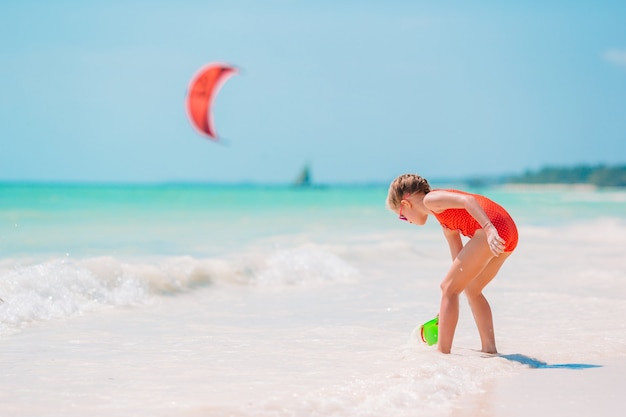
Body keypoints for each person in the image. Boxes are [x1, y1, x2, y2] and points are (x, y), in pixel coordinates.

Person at [387, 174, 518, 354]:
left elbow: (468, 200)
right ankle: (489, 350)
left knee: (447, 287)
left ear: (406, 204)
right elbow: (460, 262)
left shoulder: (430, 200)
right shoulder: (444, 219)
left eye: (402, 217)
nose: (407, 221)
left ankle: (442, 353)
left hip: (493, 229)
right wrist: (446, 307)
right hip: (508, 232)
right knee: (470, 289)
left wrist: (488, 229)